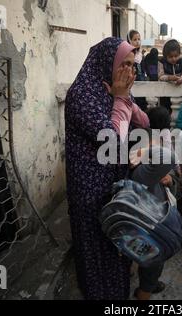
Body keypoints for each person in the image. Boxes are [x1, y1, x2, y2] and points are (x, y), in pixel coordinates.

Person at [65, 37, 149, 300]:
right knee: (95, 247)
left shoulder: (113, 88)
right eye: (123, 64)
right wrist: (121, 98)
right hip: (90, 187)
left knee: (115, 242)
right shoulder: (82, 94)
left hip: (113, 183)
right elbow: (114, 140)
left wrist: (123, 98)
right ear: (106, 62)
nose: (129, 72)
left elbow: (143, 121)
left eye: (132, 65)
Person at [129, 109, 178, 300]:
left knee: (139, 253)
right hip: (151, 226)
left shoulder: (148, 169)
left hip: (140, 224)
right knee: (151, 263)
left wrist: (170, 179)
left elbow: (170, 169)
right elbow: (170, 159)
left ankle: (135, 274)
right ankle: (144, 293)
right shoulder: (142, 172)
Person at [158, 39, 182, 113]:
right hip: (165, 94)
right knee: (165, 111)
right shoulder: (162, 62)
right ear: (165, 56)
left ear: (179, 54)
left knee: (179, 112)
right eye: (170, 56)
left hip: (180, 93)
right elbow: (160, 76)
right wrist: (169, 78)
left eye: (176, 56)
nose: (174, 59)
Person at [127, 30, 148, 111]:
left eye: (139, 39)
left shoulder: (141, 55)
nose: (137, 42)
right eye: (135, 40)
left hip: (142, 84)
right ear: (129, 41)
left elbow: (144, 70)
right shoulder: (127, 55)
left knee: (142, 107)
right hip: (132, 85)